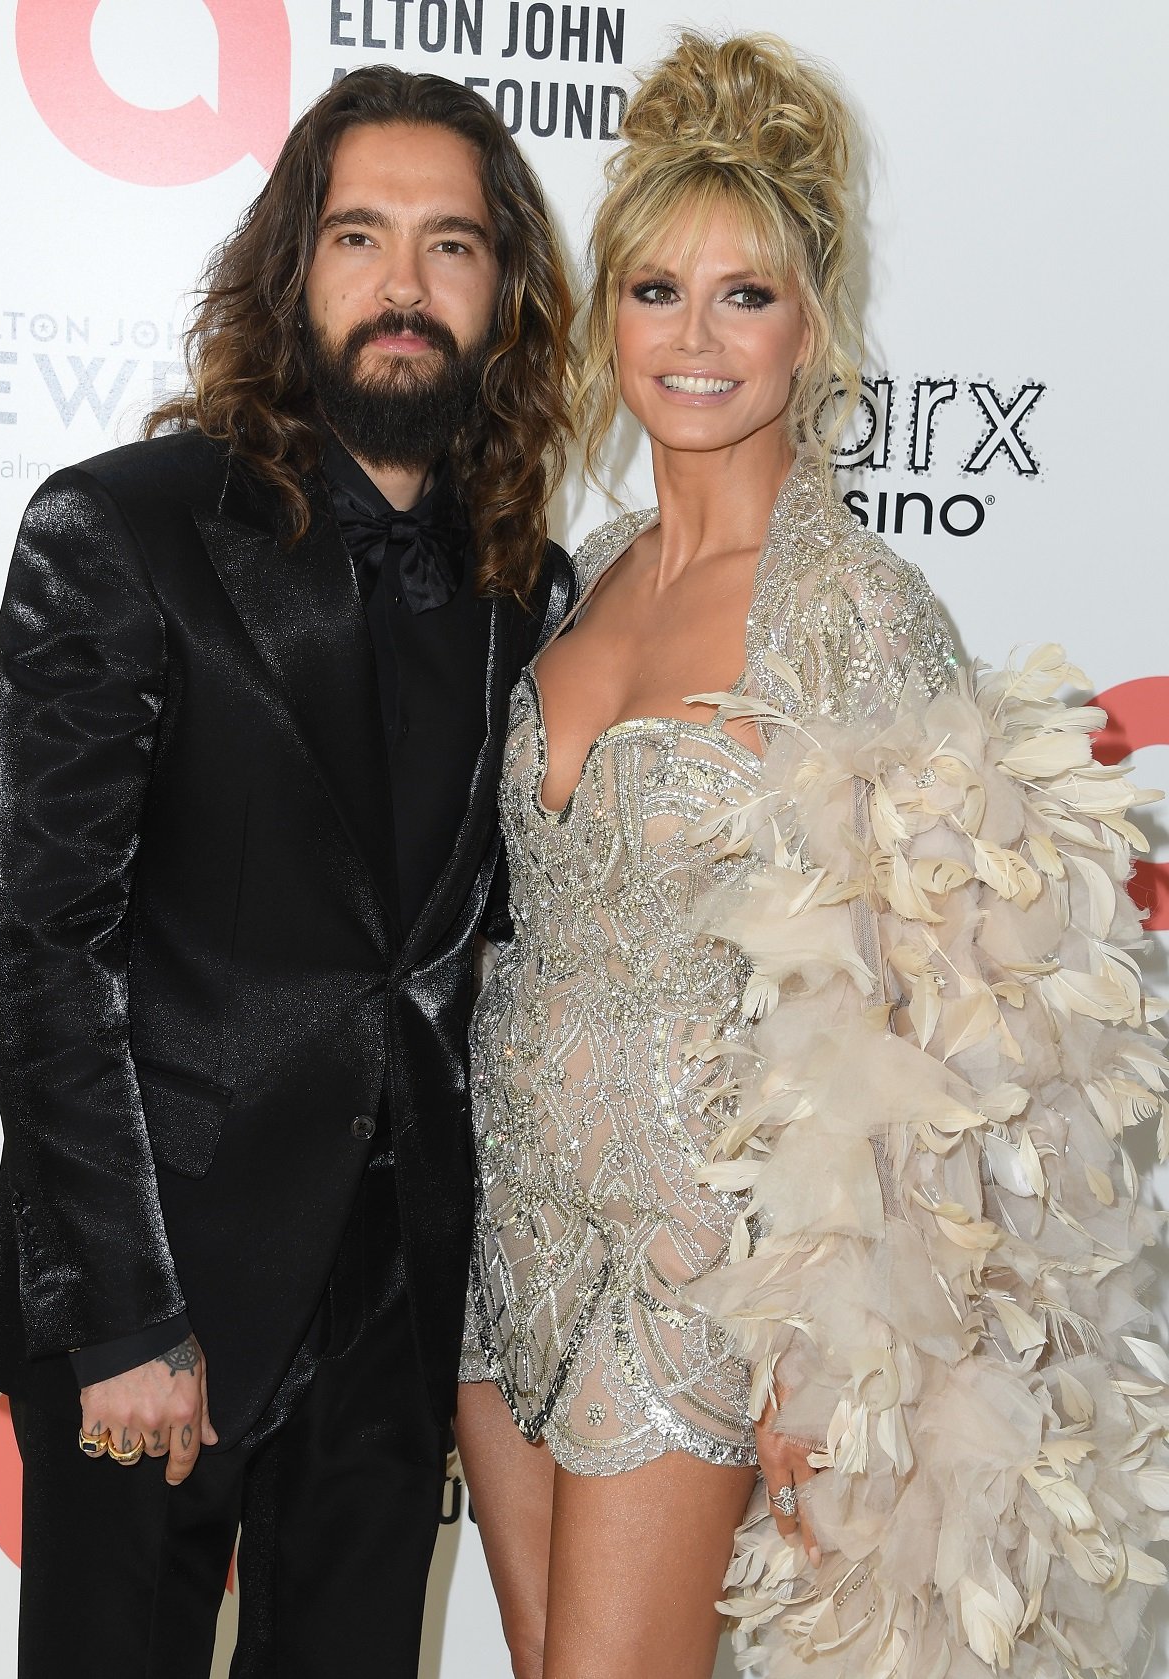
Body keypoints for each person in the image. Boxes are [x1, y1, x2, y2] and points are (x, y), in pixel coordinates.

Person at [455, 32, 1168, 1679]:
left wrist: (842, 1353)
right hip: (510, 1248)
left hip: (704, 1273)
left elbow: (951, 1020)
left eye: (745, 296)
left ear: (815, 326)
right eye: (654, 289)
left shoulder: (861, 615)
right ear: (607, 316)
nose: (693, 338)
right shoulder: (584, 578)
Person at [0, 65, 574, 1679]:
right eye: (358, 236)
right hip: (155, 1298)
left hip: (389, 1321)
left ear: (503, 294)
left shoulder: (533, 590)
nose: (403, 288)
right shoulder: (121, 529)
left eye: (450, 247)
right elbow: (38, 934)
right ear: (288, 269)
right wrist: (120, 1317)